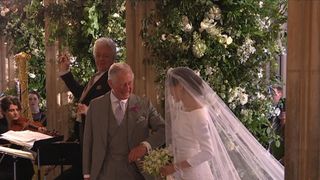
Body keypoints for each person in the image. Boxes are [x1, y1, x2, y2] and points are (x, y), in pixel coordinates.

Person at [160, 67, 284, 180]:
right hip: (179, 170)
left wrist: (176, 167)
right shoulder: (181, 108)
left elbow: (208, 152)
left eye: (171, 87)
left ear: (181, 86)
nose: (169, 92)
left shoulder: (198, 114)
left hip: (193, 173)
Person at [82, 62, 165, 180]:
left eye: (130, 83)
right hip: (104, 173)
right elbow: (88, 141)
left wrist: (145, 146)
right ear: (110, 83)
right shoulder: (95, 106)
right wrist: (87, 174)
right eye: (122, 85)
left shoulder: (144, 104)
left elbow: (164, 129)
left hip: (136, 172)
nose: (127, 88)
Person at [57, 37, 116, 179]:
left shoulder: (113, 80)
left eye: (106, 56)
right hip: (83, 138)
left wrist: (89, 111)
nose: (101, 59)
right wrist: (66, 72)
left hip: (97, 143)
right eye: (98, 55)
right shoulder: (96, 76)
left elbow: (114, 111)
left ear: (113, 58)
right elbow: (81, 93)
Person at [0, 96, 46, 180]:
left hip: (23, 166)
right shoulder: (1, 127)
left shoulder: (23, 123)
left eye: (17, 110)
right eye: (11, 110)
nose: (16, 113)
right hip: (5, 166)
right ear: (4, 111)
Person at [269, 85, 286, 164]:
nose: (271, 96)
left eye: (274, 93)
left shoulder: (284, 104)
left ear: (280, 94)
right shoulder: (267, 106)